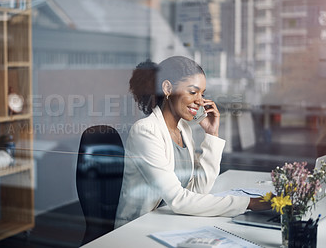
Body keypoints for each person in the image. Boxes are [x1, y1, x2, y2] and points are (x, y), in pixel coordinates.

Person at [115, 56, 269, 228]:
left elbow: (198, 190)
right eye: (193, 92)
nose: (200, 101)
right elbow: (179, 200)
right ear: (167, 88)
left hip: (171, 222)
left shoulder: (184, 129)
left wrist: (212, 134)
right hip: (138, 229)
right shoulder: (145, 131)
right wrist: (250, 203)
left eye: (202, 94)